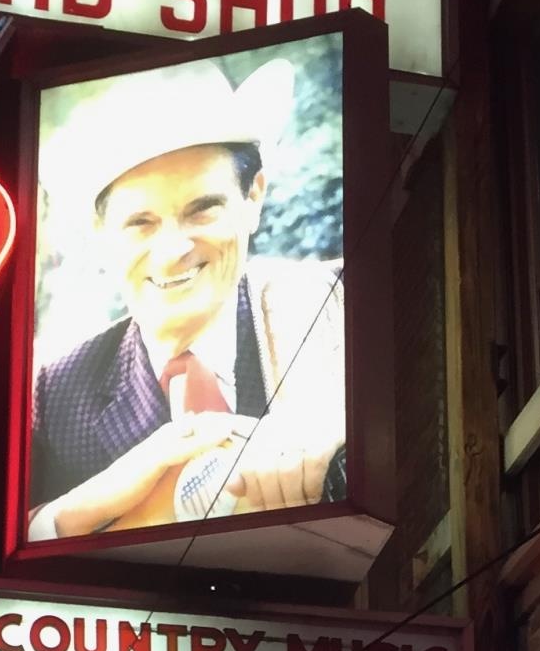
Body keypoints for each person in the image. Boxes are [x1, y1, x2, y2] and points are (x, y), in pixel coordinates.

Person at [27, 51, 347, 540]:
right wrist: (82, 509)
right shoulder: (54, 393)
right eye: (140, 223)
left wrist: (347, 429)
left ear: (254, 197)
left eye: (202, 210)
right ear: (100, 233)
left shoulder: (338, 306)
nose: (174, 250)